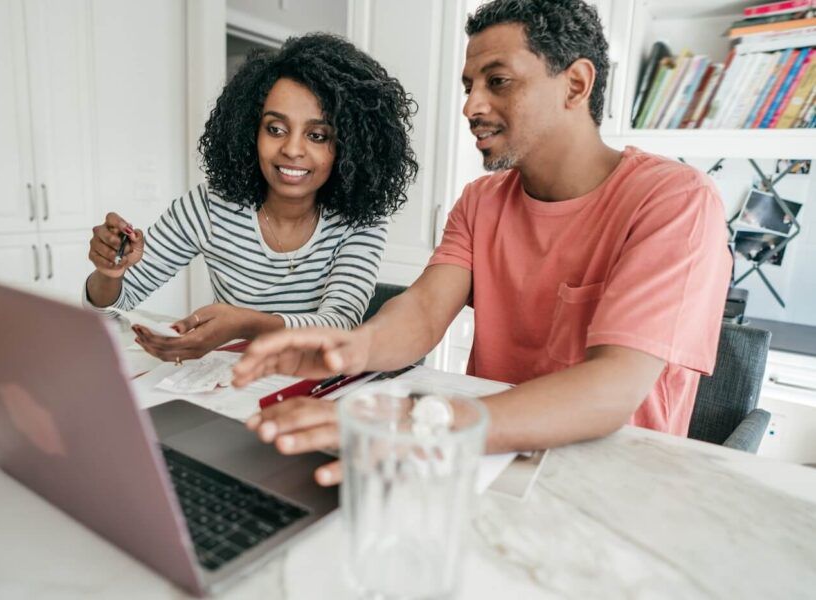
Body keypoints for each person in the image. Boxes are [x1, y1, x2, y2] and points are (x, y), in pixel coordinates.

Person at [232, 0, 732, 486]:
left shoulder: (675, 200)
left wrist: (426, 424)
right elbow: (425, 310)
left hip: (612, 482)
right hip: (488, 460)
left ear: (575, 84)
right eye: (469, 86)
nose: (472, 105)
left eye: (498, 81)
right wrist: (351, 349)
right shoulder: (481, 200)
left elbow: (612, 389)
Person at [84, 34, 418, 363]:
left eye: (317, 135)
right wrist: (109, 272)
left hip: (316, 389)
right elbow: (111, 307)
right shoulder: (208, 207)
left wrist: (243, 324)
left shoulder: (361, 220)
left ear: (348, 146)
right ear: (250, 131)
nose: (291, 149)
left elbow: (340, 324)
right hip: (230, 386)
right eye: (275, 129)